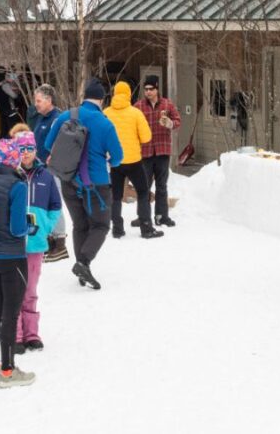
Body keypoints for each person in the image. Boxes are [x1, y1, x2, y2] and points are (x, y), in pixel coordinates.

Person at [44, 77, 124, 290]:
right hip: (96, 184)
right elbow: (118, 157)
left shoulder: (65, 116)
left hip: (69, 180)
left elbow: (47, 144)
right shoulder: (105, 123)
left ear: (84, 97)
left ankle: (82, 269)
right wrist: (107, 159)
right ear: (101, 100)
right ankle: (83, 263)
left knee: (80, 225)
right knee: (100, 225)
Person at [0, 138, 37, 387]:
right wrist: (29, 226)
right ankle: (9, 371)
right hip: (11, 256)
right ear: (13, 159)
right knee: (10, 314)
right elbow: (16, 227)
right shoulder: (18, 185)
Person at [12, 131, 61, 353]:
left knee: (30, 289)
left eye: (29, 149)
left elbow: (55, 206)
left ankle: (31, 332)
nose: (26, 154)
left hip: (35, 244)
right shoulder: (10, 174)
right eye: (21, 149)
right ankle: (16, 334)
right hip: (13, 244)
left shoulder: (46, 177)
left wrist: (46, 227)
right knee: (14, 288)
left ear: (35, 150)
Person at [104, 80, 161, 239]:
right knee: (143, 192)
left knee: (115, 195)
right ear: (129, 94)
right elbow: (146, 137)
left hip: (114, 162)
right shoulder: (135, 113)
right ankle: (146, 228)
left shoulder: (106, 113)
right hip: (134, 161)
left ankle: (117, 228)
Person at [133, 75, 181, 227]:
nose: (148, 92)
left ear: (157, 89)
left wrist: (170, 123)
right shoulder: (138, 106)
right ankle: (143, 217)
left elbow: (178, 121)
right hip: (145, 152)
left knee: (161, 185)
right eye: (145, 89)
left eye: (151, 89)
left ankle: (161, 216)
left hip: (162, 150)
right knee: (144, 187)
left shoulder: (167, 104)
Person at [29, 84, 69, 261]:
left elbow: (62, 143)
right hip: (41, 169)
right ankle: (50, 239)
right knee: (43, 205)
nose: (35, 104)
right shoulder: (41, 118)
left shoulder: (57, 118)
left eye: (38, 101)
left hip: (53, 170)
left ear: (49, 100)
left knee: (54, 204)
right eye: (35, 100)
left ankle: (60, 243)